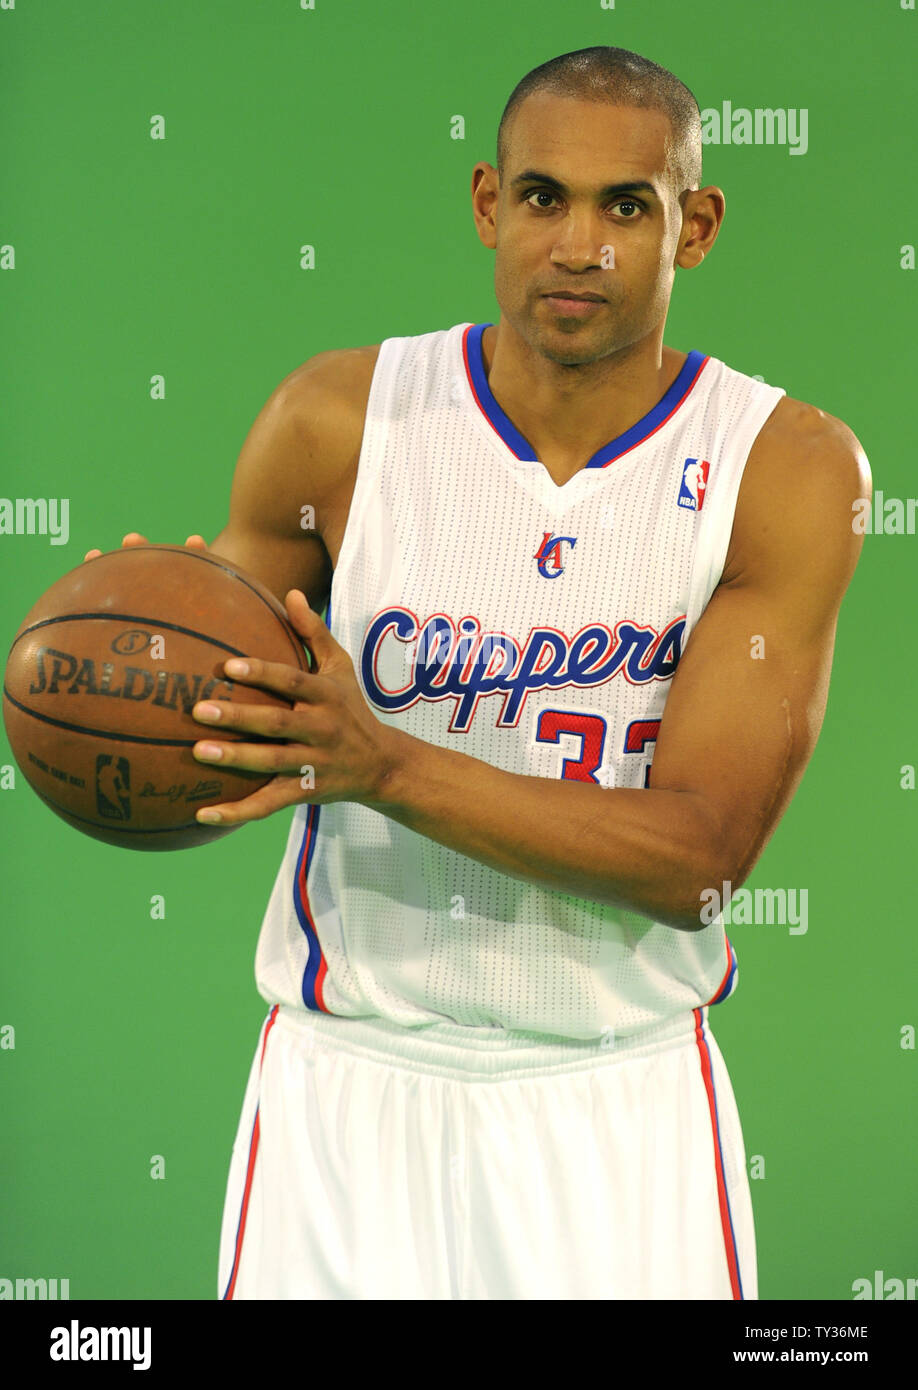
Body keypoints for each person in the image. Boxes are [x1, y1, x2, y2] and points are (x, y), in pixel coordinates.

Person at [88, 46, 871, 1300]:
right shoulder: (340, 421)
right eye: (544, 196)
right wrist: (142, 660)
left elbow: (699, 860)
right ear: (487, 205)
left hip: (615, 1103)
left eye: (630, 206)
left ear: (698, 225)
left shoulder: (783, 468)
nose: (579, 244)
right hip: (347, 1092)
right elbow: (213, 719)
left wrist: (380, 761)